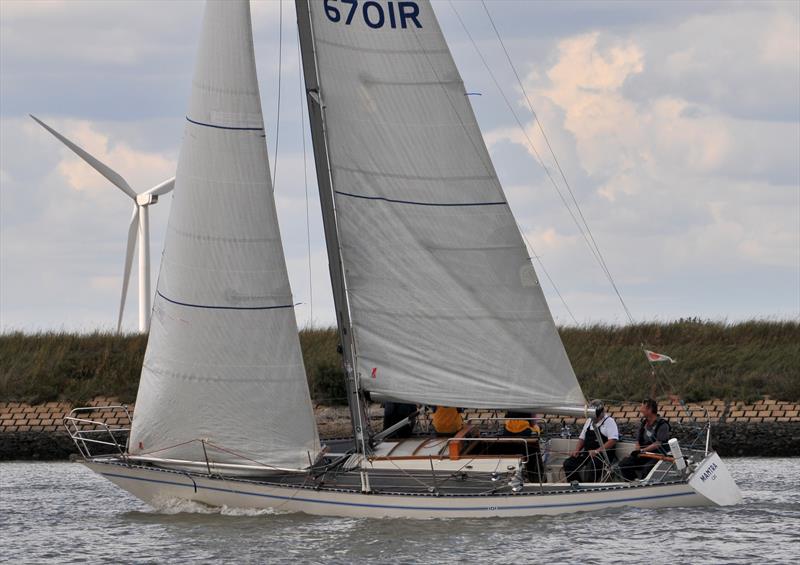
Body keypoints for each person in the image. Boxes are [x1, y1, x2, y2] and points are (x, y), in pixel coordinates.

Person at [562, 400, 619, 483]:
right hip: (587, 453)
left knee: (592, 467)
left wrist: (597, 451)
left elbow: (613, 440)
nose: (594, 418)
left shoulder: (609, 421)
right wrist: (577, 450)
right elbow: (582, 438)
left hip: (602, 456)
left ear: (602, 412)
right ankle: (577, 486)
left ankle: (590, 487)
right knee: (568, 464)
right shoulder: (589, 421)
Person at [618, 398, 671, 481]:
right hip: (644, 453)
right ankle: (633, 483)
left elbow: (658, 443)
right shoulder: (643, 423)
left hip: (657, 455)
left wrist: (643, 451)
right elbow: (638, 441)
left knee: (646, 469)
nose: (640, 410)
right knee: (624, 463)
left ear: (649, 410)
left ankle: (644, 486)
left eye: (642, 407)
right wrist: (638, 451)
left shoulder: (663, 425)